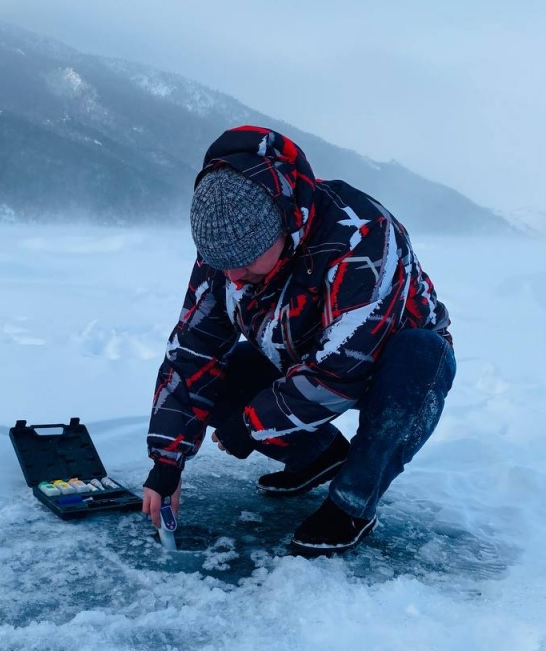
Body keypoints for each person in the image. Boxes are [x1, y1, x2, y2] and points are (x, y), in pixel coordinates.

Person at [142, 125, 455, 557]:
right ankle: (318, 454)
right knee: (217, 379)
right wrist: (166, 463)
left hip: (387, 364)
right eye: (220, 265)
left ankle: (353, 503)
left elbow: (340, 371)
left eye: (245, 262)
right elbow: (192, 353)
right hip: (296, 355)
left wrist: (251, 424)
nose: (231, 277)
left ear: (283, 225)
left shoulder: (362, 236)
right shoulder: (228, 251)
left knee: (422, 355)